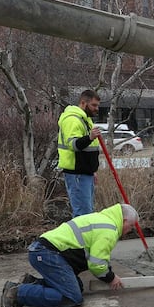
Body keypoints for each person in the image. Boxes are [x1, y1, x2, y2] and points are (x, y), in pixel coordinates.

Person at [0, 203, 139, 307]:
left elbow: (97, 256)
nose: (130, 230)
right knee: (72, 297)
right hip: (47, 253)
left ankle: (31, 283)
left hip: (44, 251)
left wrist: (108, 273)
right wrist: (111, 278)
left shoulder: (102, 219)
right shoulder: (110, 229)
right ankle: (18, 293)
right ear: (124, 220)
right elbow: (96, 264)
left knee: (77, 287)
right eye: (131, 226)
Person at [58, 89, 102, 217]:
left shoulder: (85, 120)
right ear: (83, 103)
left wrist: (92, 170)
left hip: (85, 173)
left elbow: (89, 149)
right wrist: (90, 137)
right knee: (82, 214)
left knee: (87, 212)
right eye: (94, 105)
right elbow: (74, 144)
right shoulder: (73, 120)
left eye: (97, 105)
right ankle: (79, 237)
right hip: (77, 173)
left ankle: (84, 236)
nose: (97, 109)